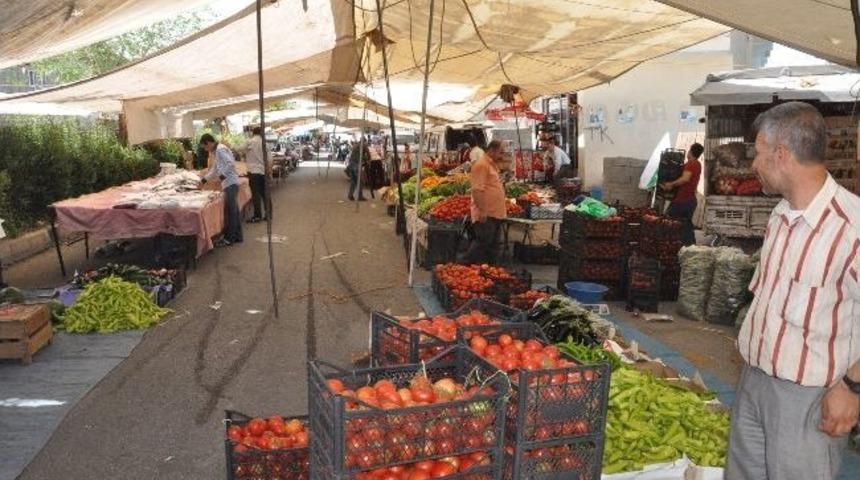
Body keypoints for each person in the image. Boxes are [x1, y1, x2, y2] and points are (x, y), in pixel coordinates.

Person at [728, 102, 860, 480]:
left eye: (757, 152)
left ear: (781, 154)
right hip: (754, 380)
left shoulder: (850, 228)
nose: (754, 164)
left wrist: (852, 387)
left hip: (808, 399)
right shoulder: (780, 216)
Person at [463, 140, 508, 264]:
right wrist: (482, 211)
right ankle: (463, 265)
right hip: (486, 214)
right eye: (500, 152)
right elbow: (477, 190)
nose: (502, 155)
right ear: (492, 150)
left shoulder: (491, 164)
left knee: (493, 246)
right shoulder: (481, 165)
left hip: (495, 213)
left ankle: (489, 272)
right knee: (482, 243)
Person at [200, 134, 242, 246]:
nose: (205, 149)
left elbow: (230, 164)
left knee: (231, 212)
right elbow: (215, 169)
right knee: (234, 211)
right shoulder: (217, 151)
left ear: (208, 143)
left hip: (230, 183)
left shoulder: (220, 149)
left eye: (205, 147)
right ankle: (238, 236)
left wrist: (222, 176)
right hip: (229, 183)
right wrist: (204, 180)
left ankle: (229, 238)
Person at [660, 142, 703, 246]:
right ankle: (690, 247)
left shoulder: (691, 163)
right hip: (690, 201)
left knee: (668, 221)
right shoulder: (697, 164)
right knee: (686, 225)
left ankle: (667, 245)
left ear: (691, 151)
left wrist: (671, 184)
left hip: (683, 200)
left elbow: (685, 178)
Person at [244, 127, 267, 222]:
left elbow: (238, 148)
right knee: (265, 193)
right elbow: (269, 159)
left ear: (253, 133)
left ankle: (257, 216)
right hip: (263, 171)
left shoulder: (249, 141)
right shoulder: (265, 143)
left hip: (253, 171)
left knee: (255, 194)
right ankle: (268, 214)